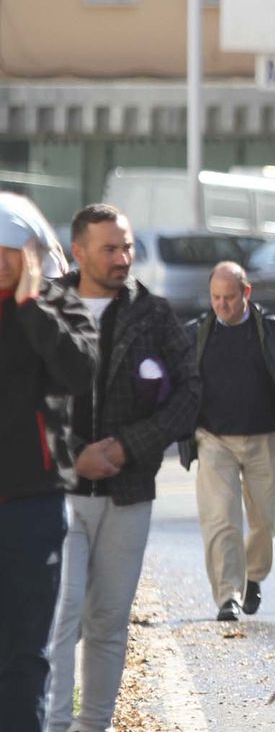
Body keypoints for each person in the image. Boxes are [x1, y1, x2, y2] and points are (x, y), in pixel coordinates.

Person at [48, 204, 200, 732]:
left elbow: (190, 393)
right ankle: (56, 724)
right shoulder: (44, 310)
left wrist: (128, 446)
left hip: (129, 491)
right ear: (79, 252)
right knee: (61, 619)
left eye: (127, 246)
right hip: (59, 493)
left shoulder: (152, 314)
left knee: (109, 620)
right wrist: (74, 454)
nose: (123, 258)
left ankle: (95, 725)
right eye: (110, 249)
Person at [0, 194, 98, 732]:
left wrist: (30, 303)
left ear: (33, 252)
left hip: (32, 507)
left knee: (25, 652)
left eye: (9, 249)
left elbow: (78, 372)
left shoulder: (58, 305)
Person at [184, 261, 275, 621]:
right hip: (215, 439)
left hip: (267, 438)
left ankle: (253, 575)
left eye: (229, 298)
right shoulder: (196, 335)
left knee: (266, 520)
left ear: (247, 293)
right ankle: (227, 596)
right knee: (221, 520)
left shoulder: (274, 330)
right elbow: (175, 386)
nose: (222, 306)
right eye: (215, 298)